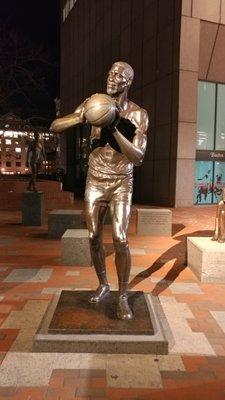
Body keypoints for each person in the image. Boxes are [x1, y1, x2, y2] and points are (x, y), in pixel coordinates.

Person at [50, 61, 149, 320]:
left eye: (118, 75)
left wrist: (114, 126)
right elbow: (54, 126)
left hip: (121, 181)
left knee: (120, 238)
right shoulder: (93, 103)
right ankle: (103, 284)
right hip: (95, 179)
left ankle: (123, 294)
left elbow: (137, 157)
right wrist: (80, 116)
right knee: (94, 236)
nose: (112, 78)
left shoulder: (138, 114)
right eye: (110, 73)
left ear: (128, 81)